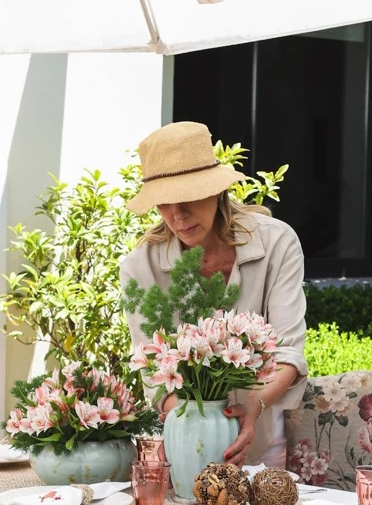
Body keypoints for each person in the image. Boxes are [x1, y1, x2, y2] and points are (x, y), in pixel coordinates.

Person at [120, 121, 307, 469]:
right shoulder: (139, 267)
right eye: (163, 202)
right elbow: (154, 372)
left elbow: (288, 353)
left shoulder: (277, 243)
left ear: (217, 190)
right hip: (184, 449)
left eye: (188, 196)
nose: (177, 215)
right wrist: (204, 430)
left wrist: (254, 406)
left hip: (263, 447)